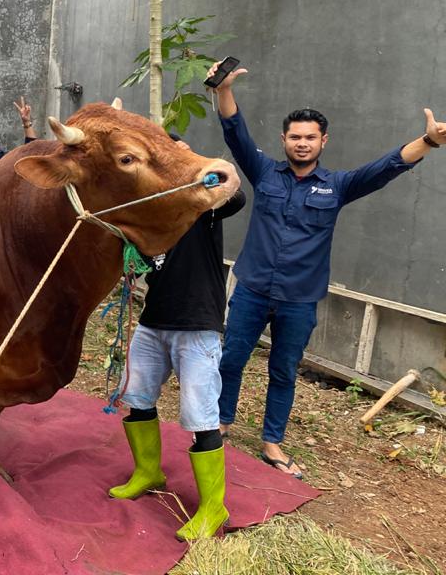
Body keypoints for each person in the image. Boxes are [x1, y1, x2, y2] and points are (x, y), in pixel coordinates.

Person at [209, 59, 446, 479]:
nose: (302, 143)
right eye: (295, 136)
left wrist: (427, 141)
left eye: (310, 137)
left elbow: (386, 168)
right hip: (252, 288)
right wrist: (223, 88)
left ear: (323, 141)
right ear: (284, 139)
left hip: (300, 298)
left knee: (283, 368)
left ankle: (272, 442)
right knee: (231, 359)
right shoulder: (264, 172)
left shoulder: (337, 187)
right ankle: (221, 423)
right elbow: (235, 130)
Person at [109, 133, 246, 541]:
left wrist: (205, 171)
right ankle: (149, 472)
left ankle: (212, 508)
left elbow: (233, 195)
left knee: (201, 417)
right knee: (136, 398)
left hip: (197, 325)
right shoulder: (149, 212)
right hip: (154, 322)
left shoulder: (203, 208)